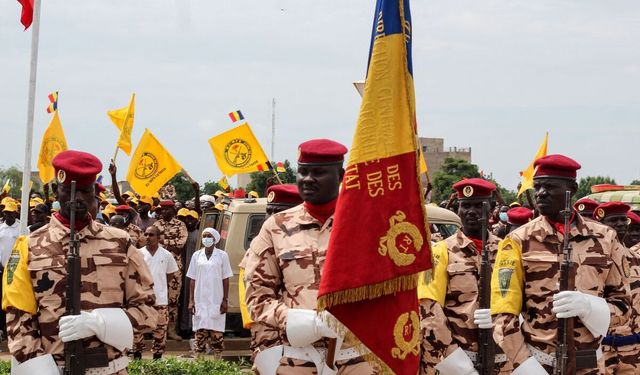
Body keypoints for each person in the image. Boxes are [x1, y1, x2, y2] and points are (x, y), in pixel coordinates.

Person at [5, 150, 158, 374]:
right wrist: (42, 369)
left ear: (95, 192)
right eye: (68, 191)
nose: (77, 199)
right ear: (56, 191)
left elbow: (149, 310)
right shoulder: (28, 247)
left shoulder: (121, 243)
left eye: (85, 191)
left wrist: (100, 323)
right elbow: (18, 319)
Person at [245, 139, 377, 374]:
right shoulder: (275, 227)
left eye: (318, 173)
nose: (307, 179)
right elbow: (257, 297)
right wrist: (299, 320)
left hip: (357, 357)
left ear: (341, 175)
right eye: (303, 172)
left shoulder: (367, 225)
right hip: (298, 358)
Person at [490, 154, 630, 374]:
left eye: (549, 186)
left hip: (590, 364)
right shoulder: (518, 240)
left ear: (572, 190)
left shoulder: (606, 238)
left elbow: (624, 305)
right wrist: (525, 366)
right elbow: (502, 312)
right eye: (537, 187)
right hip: (537, 363)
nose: (540, 193)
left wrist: (590, 307)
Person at [418, 178, 512, 375]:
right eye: (465, 206)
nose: (471, 212)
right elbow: (428, 308)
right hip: (452, 361)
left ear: (492, 208)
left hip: (499, 362)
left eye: (479, 205)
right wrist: (459, 364)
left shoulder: (507, 250)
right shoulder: (439, 251)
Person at [239, 184, 303, 362]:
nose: (270, 217)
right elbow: (246, 286)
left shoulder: (313, 245)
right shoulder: (259, 245)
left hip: (299, 335)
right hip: (265, 333)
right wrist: (251, 322)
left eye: (278, 211)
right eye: (268, 210)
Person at [593, 202, 639, 374]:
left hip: (633, 347)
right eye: (614, 220)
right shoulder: (590, 261)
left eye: (623, 219)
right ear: (601, 225)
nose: (620, 224)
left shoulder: (636, 258)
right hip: (601, 347)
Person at [133, 226, 179, 360]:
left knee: (160, 332)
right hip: (142, 299)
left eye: (151, 234)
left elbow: (170, 275)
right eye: (146, 234)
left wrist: (159, 285)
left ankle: (157, 361)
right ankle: (137, 359)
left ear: (159, 238)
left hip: (160, 300)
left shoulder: (166, 254)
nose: (148, 237)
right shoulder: (138, 253)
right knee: (137, 331)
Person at [186, 228, 232, 359]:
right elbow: (192, 279)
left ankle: (217, 364)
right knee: (200, 335)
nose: (206, 238)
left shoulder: (222, 256)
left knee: (217, 335)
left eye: (209, 236)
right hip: (199, 299)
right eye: (204, 236)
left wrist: (225, 300)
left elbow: (226, 279)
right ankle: (199, 364)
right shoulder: (196, 256)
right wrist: (191, 300)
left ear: (215, 239)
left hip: (216, 300)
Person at [153, 199, 188, 341]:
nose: (164, 212)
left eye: (167, 209)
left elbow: (180, 245)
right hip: (157, 267)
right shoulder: (156, 225)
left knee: (173, 300)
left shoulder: (180, 225)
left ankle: (171, 330)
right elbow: (151, 243)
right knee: (156, 298)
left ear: (173, 210)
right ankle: (156, 329)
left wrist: (161, 243)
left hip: (174, 268)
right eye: (162, 209)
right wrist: (169, 244)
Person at [177, 208, 201, 336]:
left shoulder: (199, 235)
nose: (189, 221)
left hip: (193, 271)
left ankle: (192, 327)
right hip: (182, 269)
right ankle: (183, 326)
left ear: (197, 221)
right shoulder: (182, 234)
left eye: (192, 219)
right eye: (188, 219)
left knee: (191, 298)